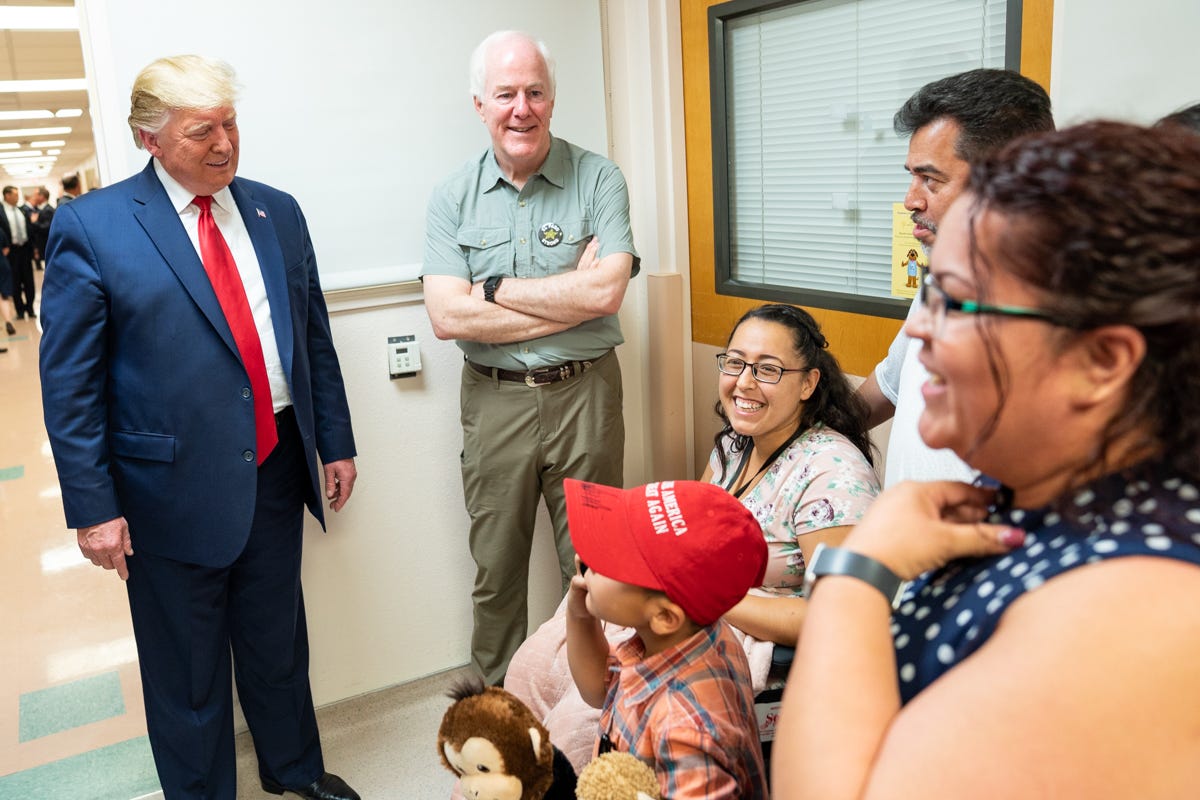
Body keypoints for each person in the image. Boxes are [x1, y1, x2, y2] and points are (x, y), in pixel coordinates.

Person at [772, 121, 1200, 798]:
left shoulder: (1134, 618)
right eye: (925, 290)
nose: (917, 328)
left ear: (1102, 361)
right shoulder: (1034, 495)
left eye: (953, 299)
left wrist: (858, 571)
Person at [39, 55, 360, 800]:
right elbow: (71, 386)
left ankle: (295, 773)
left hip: (274, 467)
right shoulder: (94, 226)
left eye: (230, 124)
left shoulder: (275, 210)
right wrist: (93, 508)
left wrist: (334, 440)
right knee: (187, 671)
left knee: (277, 644)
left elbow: (312, 338)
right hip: (165, 492)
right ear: (151, 140)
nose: (224, 144)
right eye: (200, 131)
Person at [501, 303, 879, 773]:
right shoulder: (734, 447)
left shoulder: (832, 472)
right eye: (736, 362)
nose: (743, 382)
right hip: (686, 604)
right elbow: (688, 537)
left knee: (584, 722)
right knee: (535, 662)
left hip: (744, 629)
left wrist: (697, 595)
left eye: (767, 369)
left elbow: (837, 618)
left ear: (808, 383)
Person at [422, 30, 639, 687]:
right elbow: (445, 317)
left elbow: (607, 290)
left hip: (586, 396)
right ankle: (498, 712)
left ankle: (599, 704)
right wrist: (566, 298)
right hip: (494, 402)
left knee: (597, 562)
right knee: (496, 567)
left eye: (535, 92)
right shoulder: (452, 196)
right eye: (506, 94)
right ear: (480, 105)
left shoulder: (598, 177)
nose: (523, 108)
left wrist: (492, 292)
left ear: (552, 99)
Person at [856, 69, 1054, 486]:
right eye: (911, 176)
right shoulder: (944, 274)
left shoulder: (1059, 315)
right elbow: (890, 388)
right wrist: (802, 429)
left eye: (930, 179)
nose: (911, 199)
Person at [565, 478, 770, 799]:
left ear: (664, 617)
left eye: (608, 559)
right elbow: (597, 689)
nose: (586, 556)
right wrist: (580, 615)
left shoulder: (687, 731)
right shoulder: (688, 636)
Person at [1, 185, 34, 319]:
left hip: (25, 250)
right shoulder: (1, 211)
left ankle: (30, 308)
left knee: (28, 280)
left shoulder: (22, 210)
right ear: (7, 195)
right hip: (10, 251)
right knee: (15, 281)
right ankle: (20, 310)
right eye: (15, 195)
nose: (18, 197)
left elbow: (29, 229)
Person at [27, 186, 54, 269]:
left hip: (46, 244)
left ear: (42, 196)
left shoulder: (48, 210)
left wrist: (34, 222)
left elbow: (46, 228)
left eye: (36, 195)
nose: (34, 197)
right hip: (42, 244)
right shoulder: (41, 209)